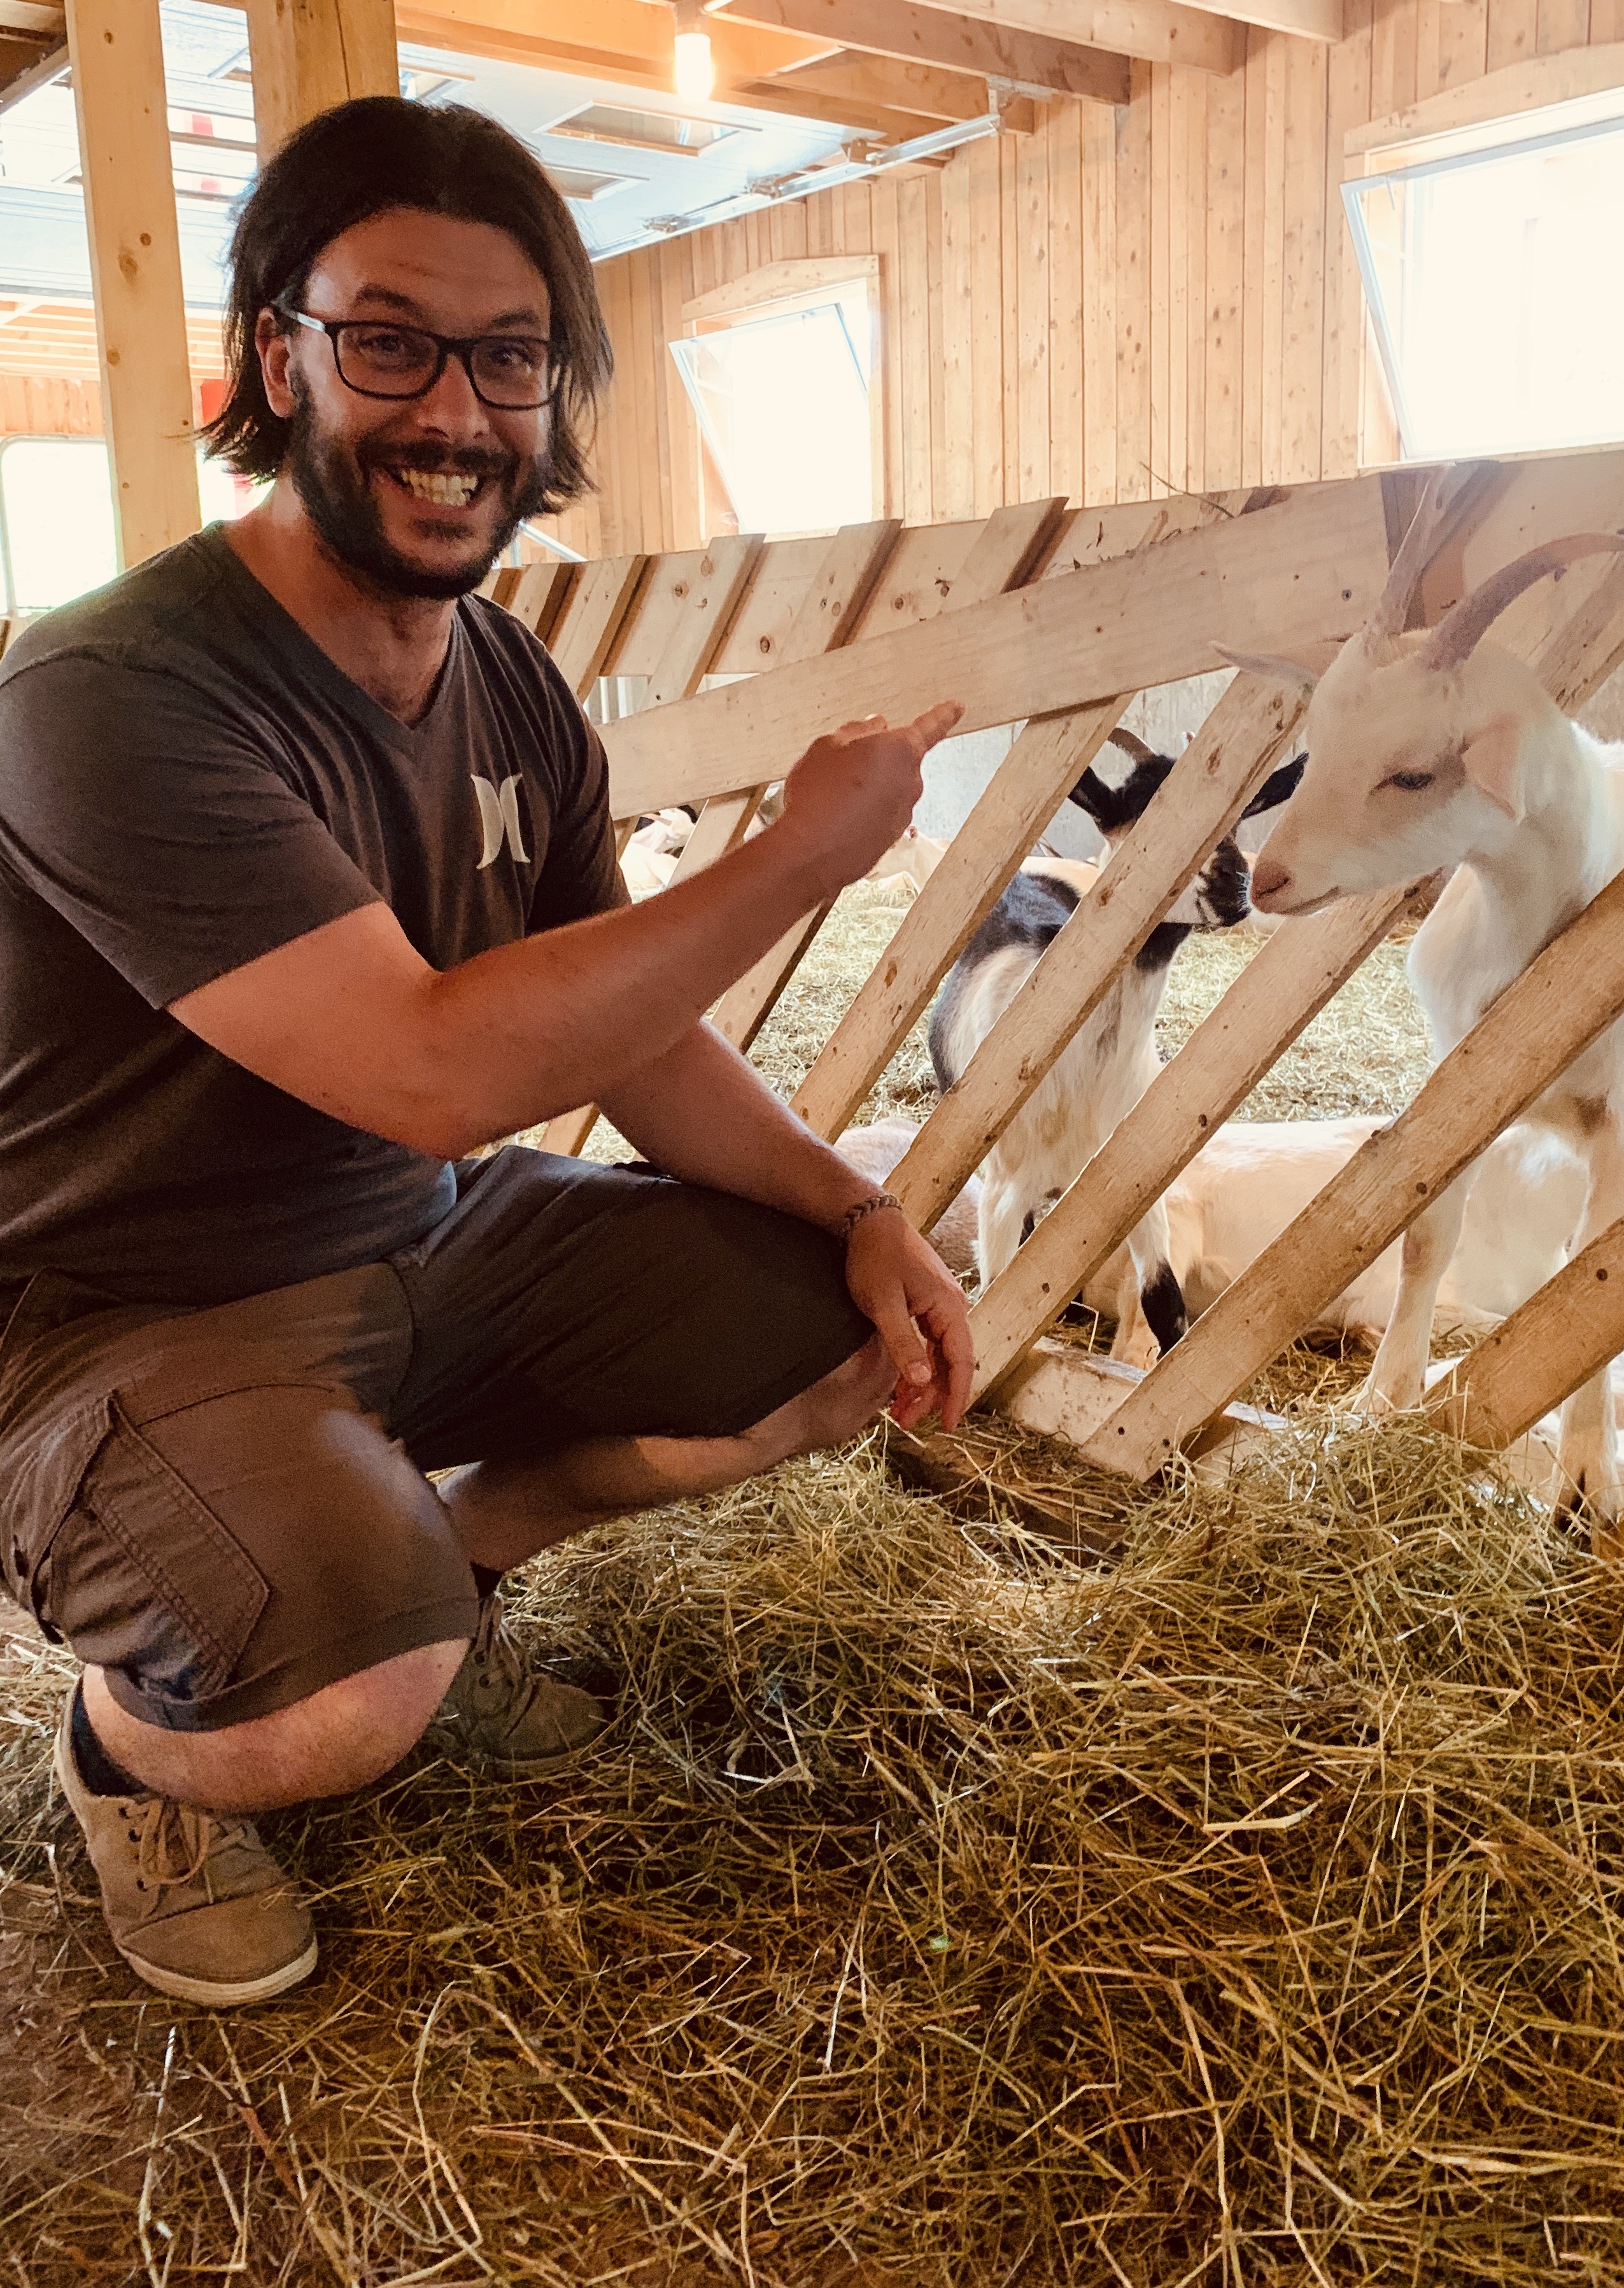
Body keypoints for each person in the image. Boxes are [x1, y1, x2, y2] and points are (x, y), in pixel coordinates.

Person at [0, 96, 973, 2009]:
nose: (455, 411)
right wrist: (804, 852)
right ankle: (139, 1755)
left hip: (423, 1244)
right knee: (351, 1697)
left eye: (510, 356)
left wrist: (862, 1208)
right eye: (389, 341)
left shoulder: (511, 677)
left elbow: (623, 1027)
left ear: (556, 391)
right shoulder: (109, 691)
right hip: (123, 1321)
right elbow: (438, 1069)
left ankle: (427, 1571)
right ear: (276, 358)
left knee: (834, 1326)